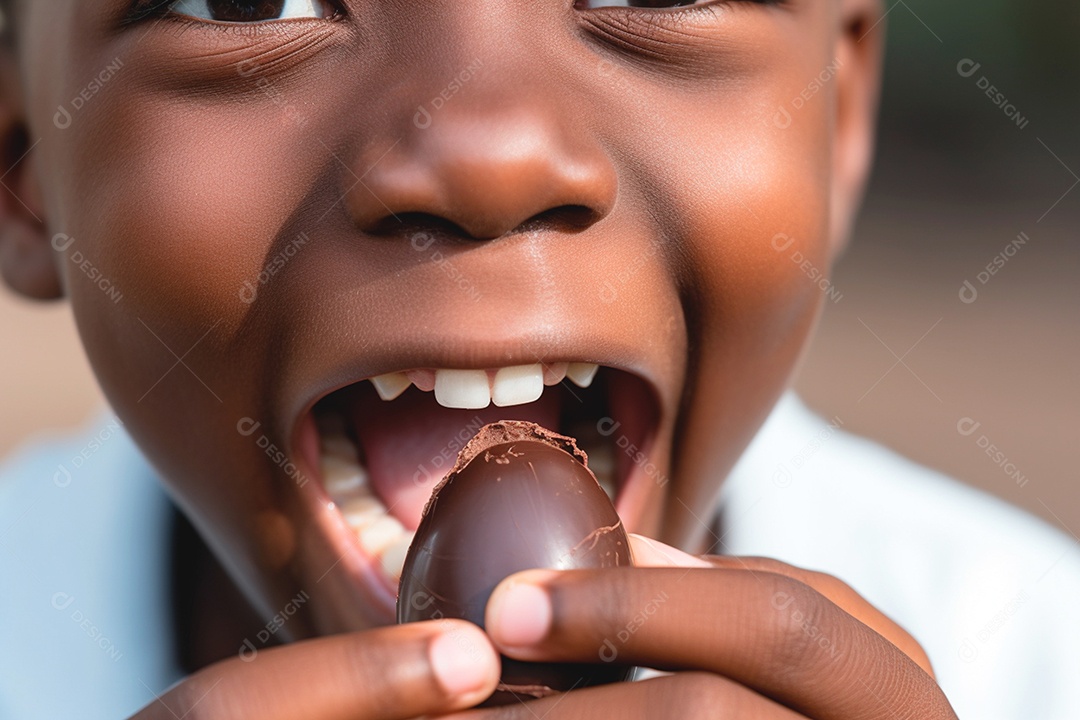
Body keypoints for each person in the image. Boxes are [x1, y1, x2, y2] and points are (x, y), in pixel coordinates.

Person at [0, 0, 1076, 717]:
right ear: (23, 161)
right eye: (246, 3)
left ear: (837, 106)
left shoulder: (1038, 664)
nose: (488, 158)